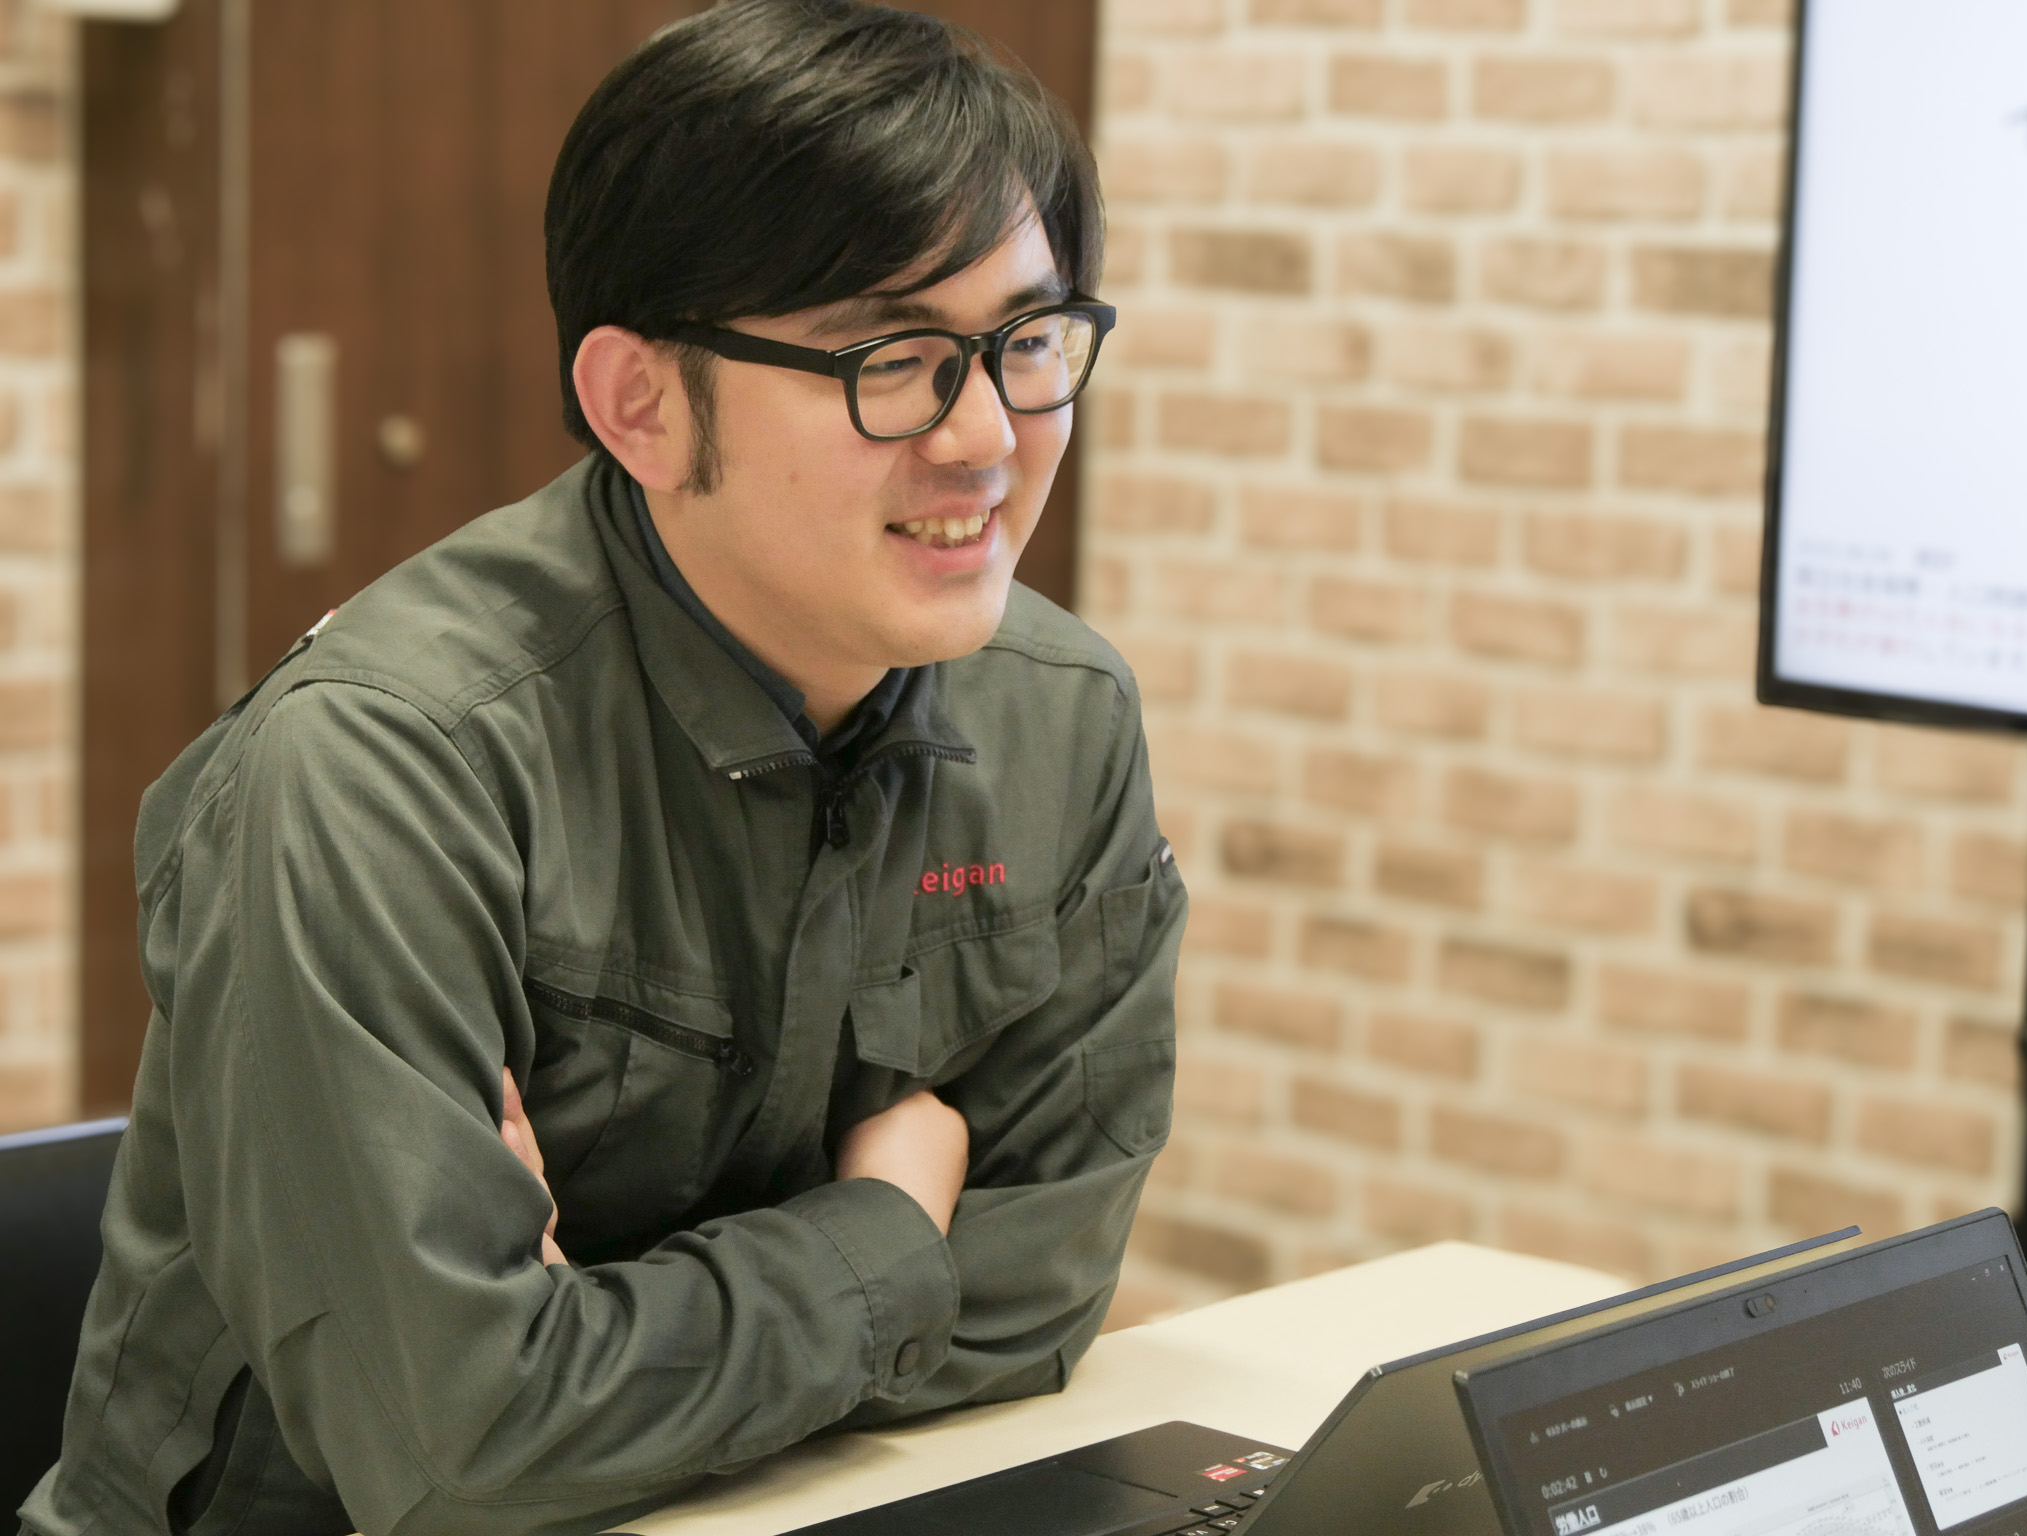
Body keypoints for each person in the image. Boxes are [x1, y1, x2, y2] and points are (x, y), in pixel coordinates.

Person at [19, 4, 1183, 1534]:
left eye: (1027, 343)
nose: (985, 436)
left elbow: (1045, 1297)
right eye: (892, 357)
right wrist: (890, 1232)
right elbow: (461, 1455)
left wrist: (597, 1358)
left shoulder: (1064, 717)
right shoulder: (383, 769)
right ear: (643, 403)